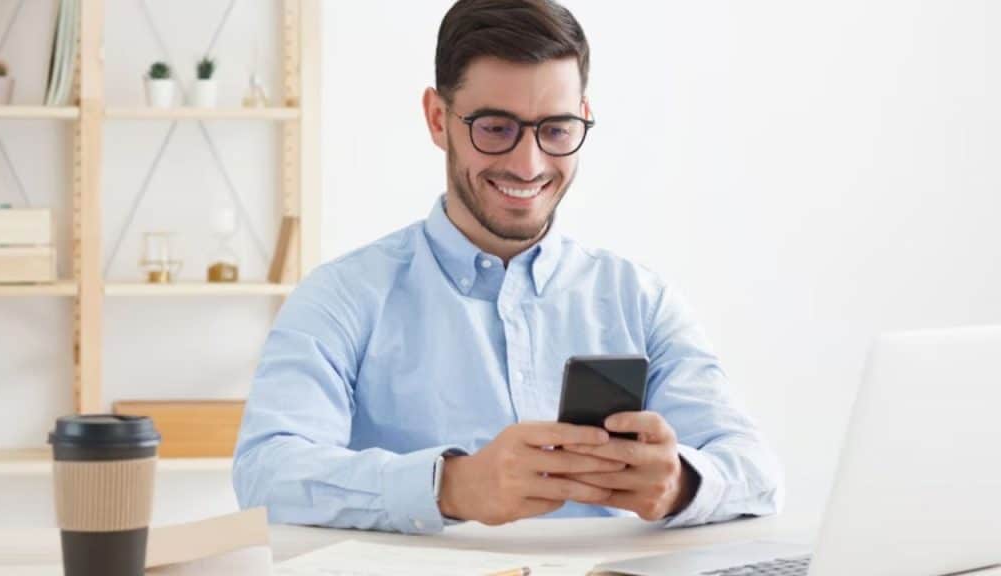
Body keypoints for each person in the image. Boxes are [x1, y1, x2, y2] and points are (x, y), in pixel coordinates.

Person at [233, 0, 783, 535]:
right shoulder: (341, 297)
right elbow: (266, 475)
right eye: (495, 128)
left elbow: (757, 473)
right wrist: (451, 486)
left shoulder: (639, 298)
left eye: (557, 129)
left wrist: (681, 485)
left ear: (584, 118)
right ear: (437, 119)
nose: (529, 164)